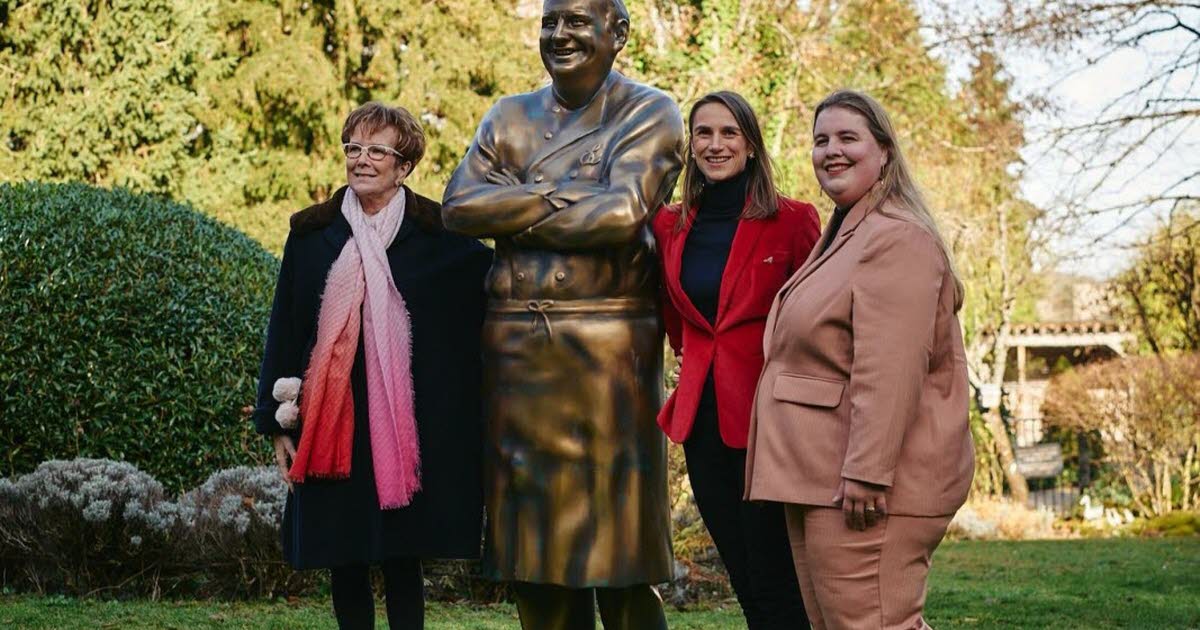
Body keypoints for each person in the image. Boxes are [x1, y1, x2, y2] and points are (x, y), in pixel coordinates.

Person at [440, 0, 684, 627]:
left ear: (617, 33)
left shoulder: (649, 110)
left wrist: (514, 204)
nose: (560, 34)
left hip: (606, 351)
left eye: (577, 20)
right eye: (550, 21)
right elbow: (460, 207)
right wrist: (559, 193)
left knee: (620, 552)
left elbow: (620, 214)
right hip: (517, 347)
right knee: (533, 552)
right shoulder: (508, 115)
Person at [252, 102, 492, 630]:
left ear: (403, 166)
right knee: (345, 556)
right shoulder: (312, 234)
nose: (362, 161)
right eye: (353, 149)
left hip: (406, 425)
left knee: (404, 556)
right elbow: (286, 329)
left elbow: (493, 297)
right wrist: (275, 423)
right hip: (332, 420)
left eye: (377, 151)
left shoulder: (442, 238)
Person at [743, 89, 974, 629]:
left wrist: (869, 475)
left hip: (864, 485)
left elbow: (888, 369)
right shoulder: (849, 232)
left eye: (848, 138)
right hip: (818, 476)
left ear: (885, 152)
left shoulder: (897, 239)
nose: (831, 151)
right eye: (821, 140)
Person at [651, 91, 819, 630]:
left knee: (776, 572)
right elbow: (674, 314)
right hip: (702, 419)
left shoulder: (794, 220)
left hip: (770, 417)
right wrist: (688, 359)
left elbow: (816, 315)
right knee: (742, 572)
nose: (716, 144)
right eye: (704, 133)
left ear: (750, 145)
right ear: (690, 145)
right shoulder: (670, 226)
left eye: (729, 133)